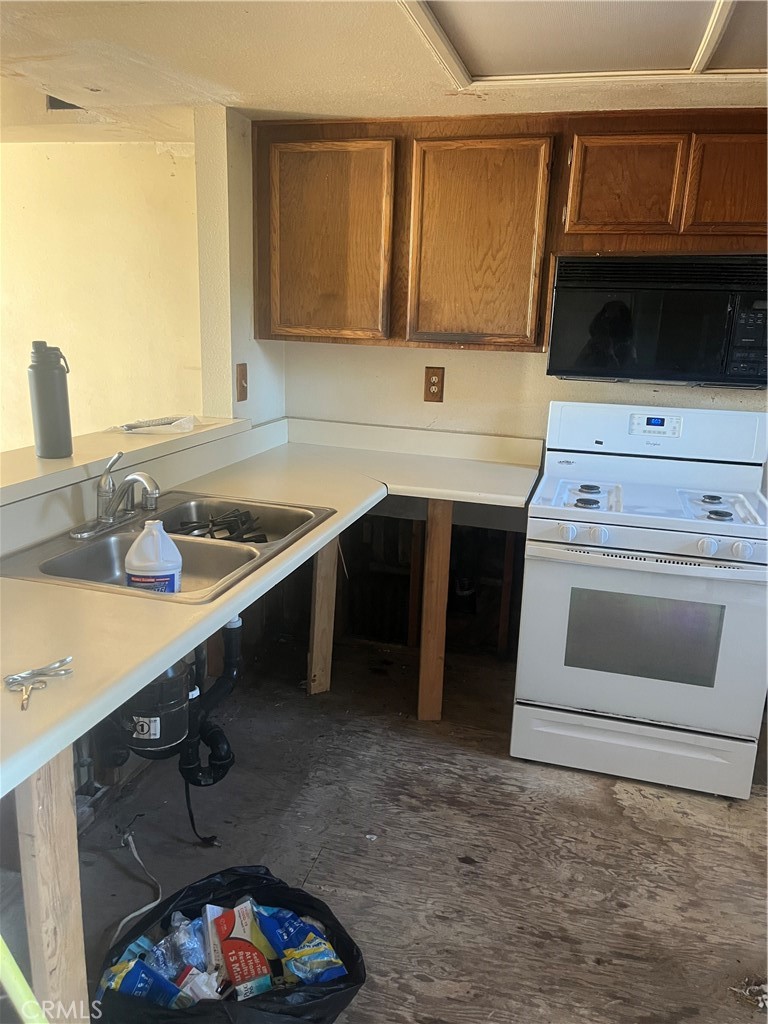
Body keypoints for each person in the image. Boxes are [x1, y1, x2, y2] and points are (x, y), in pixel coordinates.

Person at [574, 300, 636, 371]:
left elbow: (624, 374)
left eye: (614, 320)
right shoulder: (595, 343)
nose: (607, 324)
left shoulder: (628, 349)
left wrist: (610, 354)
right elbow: (577, 369)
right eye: (605, 318)